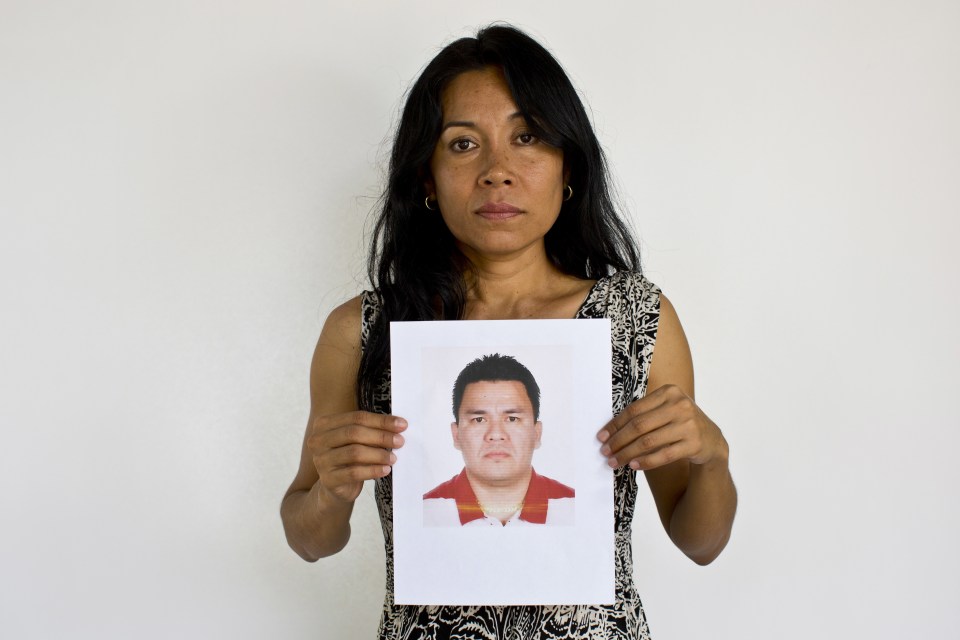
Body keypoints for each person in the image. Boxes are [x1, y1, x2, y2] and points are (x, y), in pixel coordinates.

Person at [280, 23, 737, 640]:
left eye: (527, 138)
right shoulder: (361, 330)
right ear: (426, 180)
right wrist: (330, 491)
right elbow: (309, 539)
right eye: (463, 145)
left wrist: (711, 456)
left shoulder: (636, 318)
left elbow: (699, 542)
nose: (498, 171)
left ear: (566, 163)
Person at [422, 353, 575, 527]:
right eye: (479, 420)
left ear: (536, 433)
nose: (495, 434)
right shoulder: (424, 513)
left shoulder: (576, 507)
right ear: (456, 435)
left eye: (512, 418)